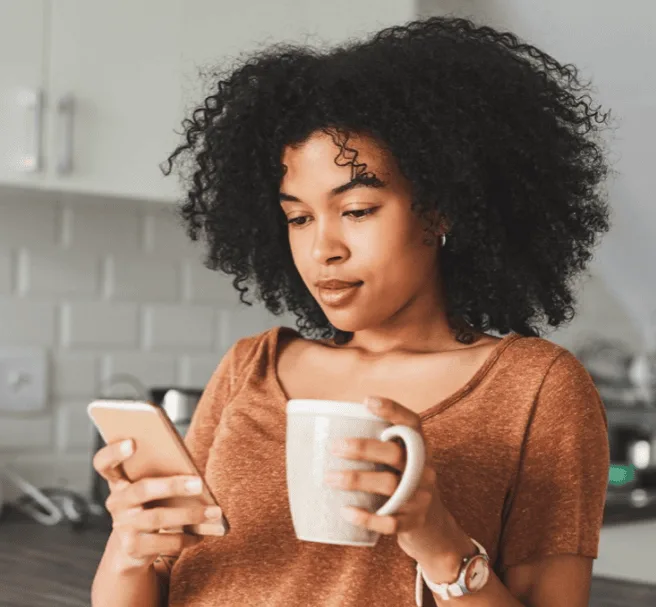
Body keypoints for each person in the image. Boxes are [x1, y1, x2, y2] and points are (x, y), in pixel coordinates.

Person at [91, 15, 612, 607]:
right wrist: (130, 547)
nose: (322, 249)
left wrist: (438, 541)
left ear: (440, 210)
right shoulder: (249, 367)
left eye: (358, 210)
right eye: (298, 217)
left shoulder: (537, 389)